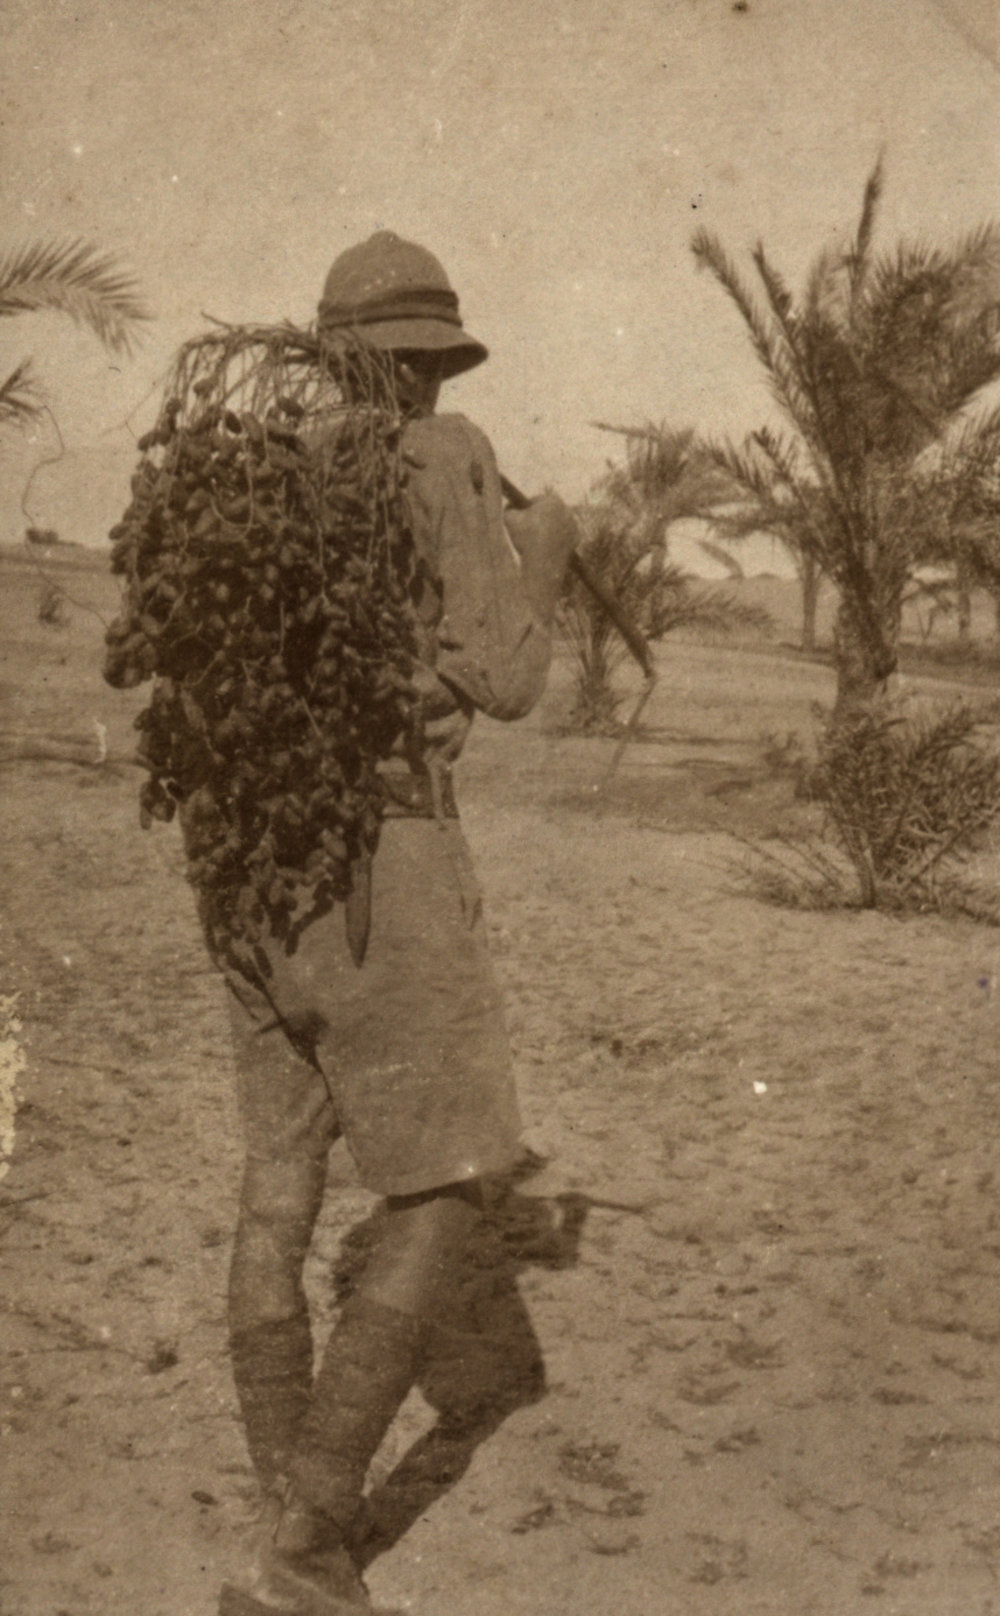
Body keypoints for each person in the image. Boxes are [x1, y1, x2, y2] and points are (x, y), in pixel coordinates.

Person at [212, 231, 579, 1616]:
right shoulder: (440, 453)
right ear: (428, 368)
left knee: (276, 1187)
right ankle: (307, 1550)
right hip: (386, 859)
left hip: (252, 868)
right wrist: (542, 553)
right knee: (443, 1189)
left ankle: (282, 1512)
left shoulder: (257, 474)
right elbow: (506, 678)